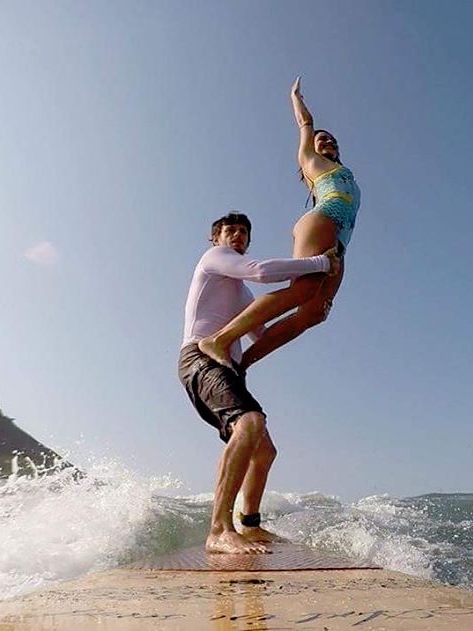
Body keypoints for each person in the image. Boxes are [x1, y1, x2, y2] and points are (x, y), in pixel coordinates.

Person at [178, 212, 339, 554]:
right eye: (230, 231)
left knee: (265, 451)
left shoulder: (240, 295)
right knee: (250, 423)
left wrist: (306, 319)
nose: (237, 236)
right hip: (200, 356)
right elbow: (262, 271)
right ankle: (220, 529)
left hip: (227, 366)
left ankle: (249, 525)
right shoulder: (213, 259)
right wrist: (320, 263)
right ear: (215, 239)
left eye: (244, 232)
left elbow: (263, 334)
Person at [198, 77, 361, 370]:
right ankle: (220, 339)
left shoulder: (345, 171)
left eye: (332, 139)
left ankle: (242, 364)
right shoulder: (311, 161)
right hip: (322, 219)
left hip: (341, 241)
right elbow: (305, 123)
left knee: (314, 313)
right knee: (302, 290)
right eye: (321, 138)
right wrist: (295, 97)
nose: (327, 141)